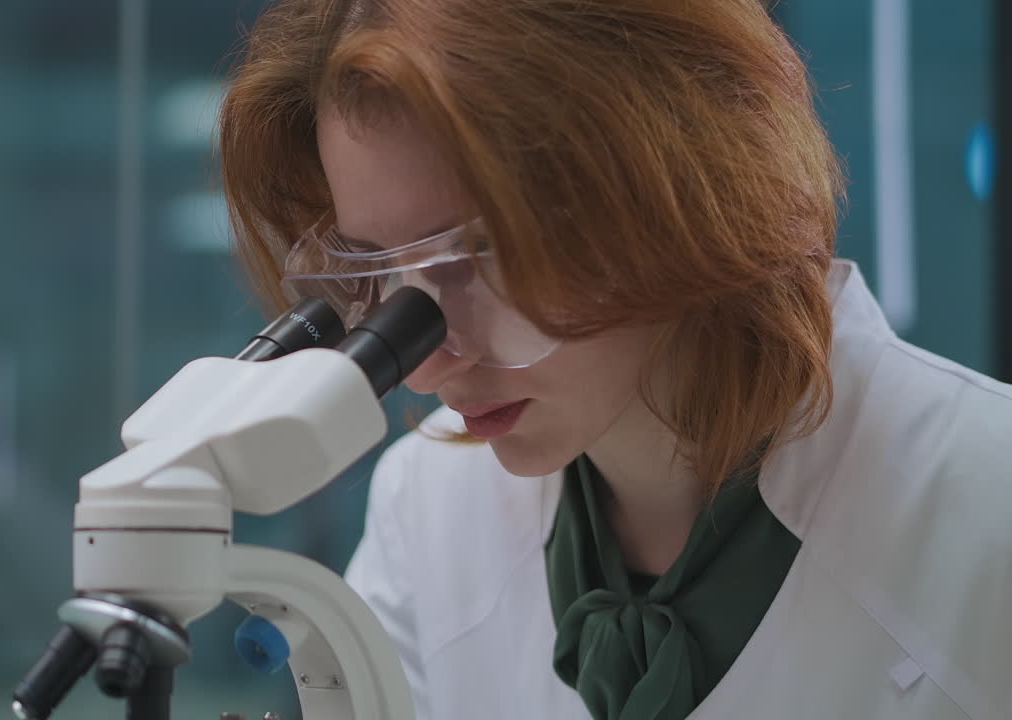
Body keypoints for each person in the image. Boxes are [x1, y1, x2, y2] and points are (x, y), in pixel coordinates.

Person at [217, 1, 1012, 718]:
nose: (426, 368)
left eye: (489, 255)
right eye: (383, 275)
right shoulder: (428, 507)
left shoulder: (986, 500)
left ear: (676, 185)